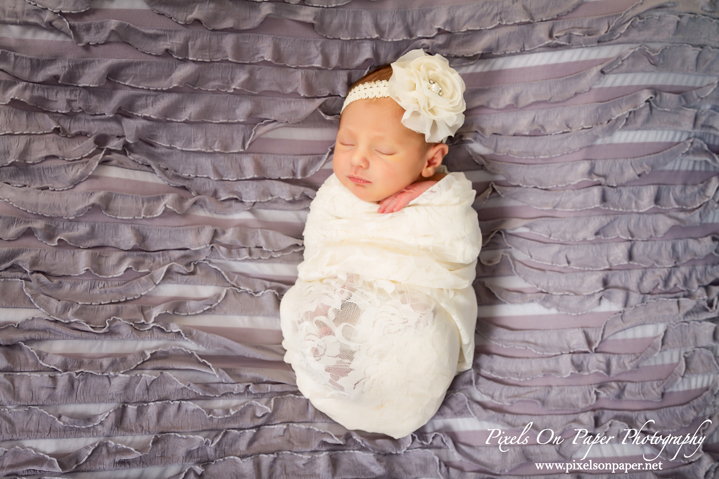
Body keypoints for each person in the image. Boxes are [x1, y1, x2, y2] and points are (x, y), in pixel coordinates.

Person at [280, 50, 482, 438]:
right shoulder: (336, 194)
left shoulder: (447, 198)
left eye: (384, 150)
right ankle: (338, 373)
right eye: (345, 143)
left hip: (408, 310)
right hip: (346, 303)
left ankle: (395, 383)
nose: (357, 161)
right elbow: (319, 251)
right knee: (309, 308)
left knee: (419, 321)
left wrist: (430, 187)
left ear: (431, 159)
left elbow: (455, 250)